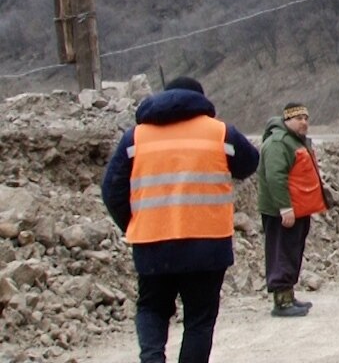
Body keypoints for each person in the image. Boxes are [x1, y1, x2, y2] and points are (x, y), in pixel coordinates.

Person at [101, 76, 260, 363]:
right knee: (199, 320)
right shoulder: (220, 133)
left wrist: (135, 224)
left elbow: (111, 190)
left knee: (152, 308)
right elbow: (249, 163)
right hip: (207, 245)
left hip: (152, 243)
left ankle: (152, 359)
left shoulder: (135, 137)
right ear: (200, 99)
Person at [257, 102, 328, 317]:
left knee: (291, 252)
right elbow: (275, 177)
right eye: (299, 119)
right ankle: (282, 302)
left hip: (298, 209)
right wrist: (284, 207)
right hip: (283, 211)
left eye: (306, 118)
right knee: (281, 253)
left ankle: (289, 295)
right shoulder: (278, 143)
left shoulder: (295, 142)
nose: (304, 122)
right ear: (287, 120)